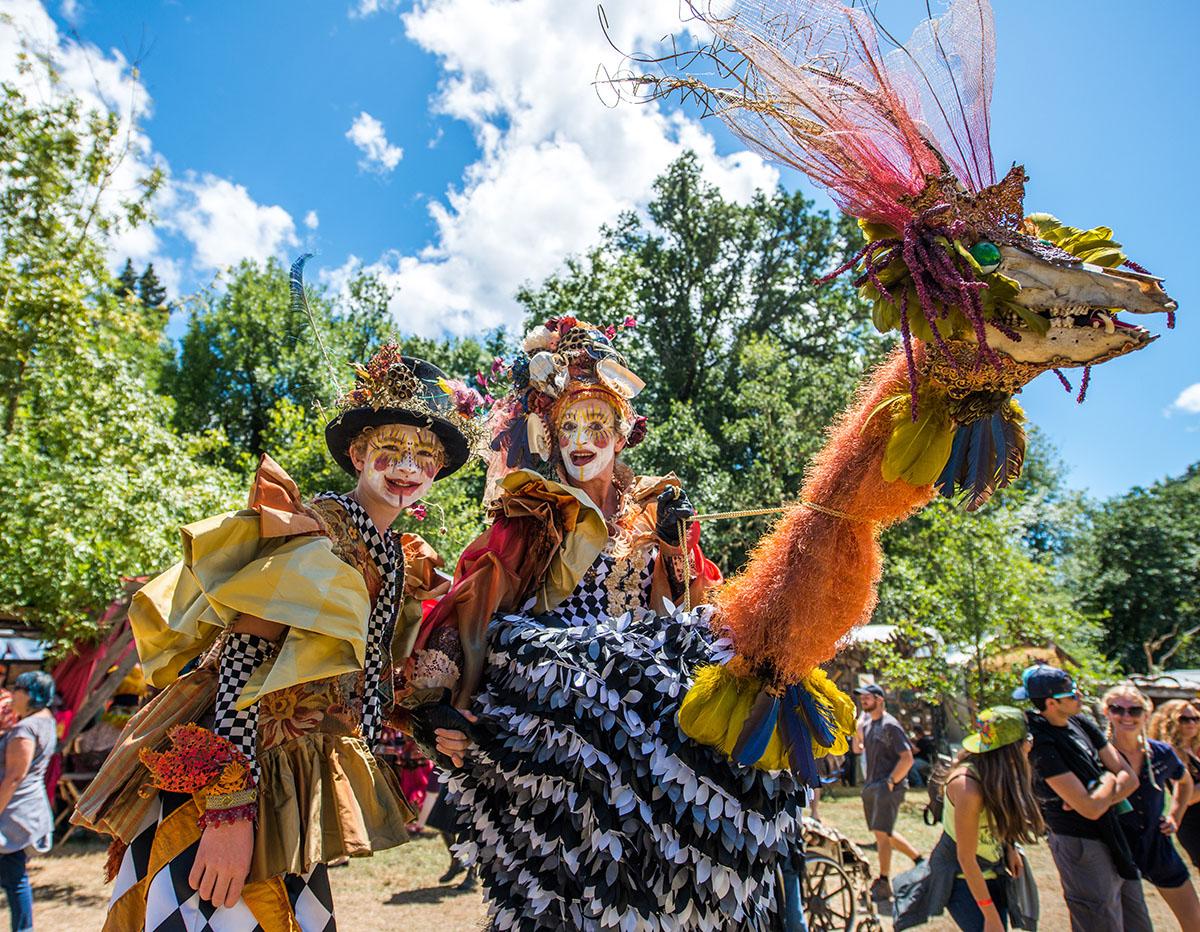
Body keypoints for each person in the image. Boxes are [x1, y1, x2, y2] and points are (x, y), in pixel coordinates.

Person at [419, 318, 854, 929]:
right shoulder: (530, 514)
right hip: (563, 719)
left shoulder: (654, 508)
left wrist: (675, 554)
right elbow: (475, 598)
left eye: (597, 424)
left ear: (622, 434)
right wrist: (441, 704)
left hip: (650, 710)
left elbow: (697, 608)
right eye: (568, 425)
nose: (581, 439)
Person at [73, 332, 478, 930]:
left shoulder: (396, 555)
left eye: (424, 457)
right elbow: (242, 664)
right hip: (234, 778)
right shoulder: (313, 530)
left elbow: (365, 681)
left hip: (290, 789)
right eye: (390, 449)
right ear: (360, 455)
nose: (407, 468)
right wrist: (229, 814)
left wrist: (427, 717)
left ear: (438, 470)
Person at [1017, 664, 1150, 932]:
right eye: (1072, 694)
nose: (1079, 697)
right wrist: (1110, 780)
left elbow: (1129, 777)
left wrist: (1102, 790)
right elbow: (1090, 808)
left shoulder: (1082, 723)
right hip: (1080, 843)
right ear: (1052, 703)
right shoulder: (1041, 744)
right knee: (1099, 920)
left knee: (1137, 920)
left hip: (1113, 834)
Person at [933, 706, 1042, 932]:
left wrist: (1010, 846)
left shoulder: (1001, 772)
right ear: (1011, 748)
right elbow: (966, 858)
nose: (1030, 744)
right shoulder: (967, 787)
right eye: (1027, 738)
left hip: (994, 872)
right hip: (965, 880)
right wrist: (989, 915)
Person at [1102, 684, 1200, 929]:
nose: (1126, 716)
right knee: (1124, 922)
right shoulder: (1097, 753)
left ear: (1146, 714)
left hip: (1156, 841)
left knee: (1194, 919)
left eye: (1134, 710)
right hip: (1114, 846)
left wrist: (1175, 816)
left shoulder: (1161, 752)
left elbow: (1184, 781)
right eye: (1118, 709)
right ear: (1106, 712)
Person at [0, 672, 57, 932]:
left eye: (18, 689)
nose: (13, 694)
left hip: (14, 811)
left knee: (14, 878)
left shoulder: (25, 728)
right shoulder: (44, 720)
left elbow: (14, 776)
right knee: (14, 876)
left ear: (29, 693)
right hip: (27, 806)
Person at [855, 683, 922, 901]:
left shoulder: (890, 725)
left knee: (882, 834)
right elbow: (858, 750)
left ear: (880, 699)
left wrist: (891, 782)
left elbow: (907, 758)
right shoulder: (866, 724)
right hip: (872, 785)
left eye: (868, 697)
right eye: (862, 698)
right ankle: (920, 860)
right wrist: (855, 731)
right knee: (882, 832)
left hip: (887, 786)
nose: (863, 700)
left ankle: (883, 882)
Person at [1149, 698, 1200, 867]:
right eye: (1184, 719)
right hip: (1193, 823)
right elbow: (1189, 796)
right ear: (1169, 722)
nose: (1191, 723)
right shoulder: (1171, 754)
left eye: (1195, 718)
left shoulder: (1191, 750)